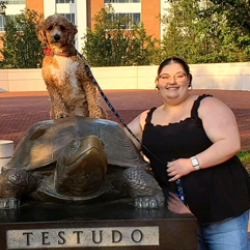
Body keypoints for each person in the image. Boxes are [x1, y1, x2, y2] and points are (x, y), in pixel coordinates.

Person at [127, 57, 250, 250]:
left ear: (189, 80)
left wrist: (191, 163)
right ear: (157, 83)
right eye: (165, 77)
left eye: (179, 75)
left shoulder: (207, 105)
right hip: (180, 216)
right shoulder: (145, 119)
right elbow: (116, 142)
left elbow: (230, 143)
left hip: (222, 210)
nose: (172, 81)